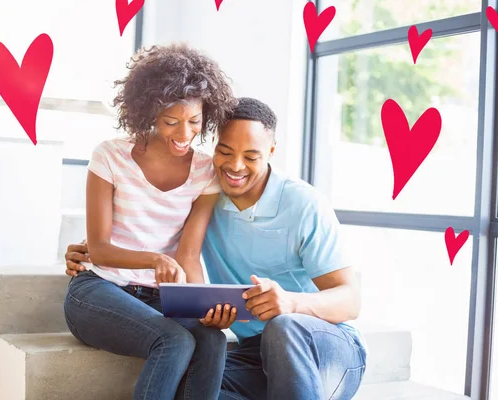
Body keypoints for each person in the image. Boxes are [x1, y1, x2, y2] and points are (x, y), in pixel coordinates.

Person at [66, 97, 367, 400]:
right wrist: (89, 247)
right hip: (256, 354)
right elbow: (154, 230)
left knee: (283, 327)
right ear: (213, 144)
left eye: (251, 156)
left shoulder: (303, 204)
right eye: (225, 151)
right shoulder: (205, 195)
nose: (236, 166)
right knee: (193, 384)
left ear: (271, 151)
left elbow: (350, 301)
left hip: (323, 350)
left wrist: (290, 303)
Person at [63, 43, 237, 400]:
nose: (184, 134)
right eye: (171, 122)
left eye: (194, 122)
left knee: (212, 341)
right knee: (172, 341)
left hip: (164, 299)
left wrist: (203, 305)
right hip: (100, 291)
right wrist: (155, 259)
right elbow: (99, 249)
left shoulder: (205, 171)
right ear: (148, 113)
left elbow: (188, 255)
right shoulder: (110, 156)